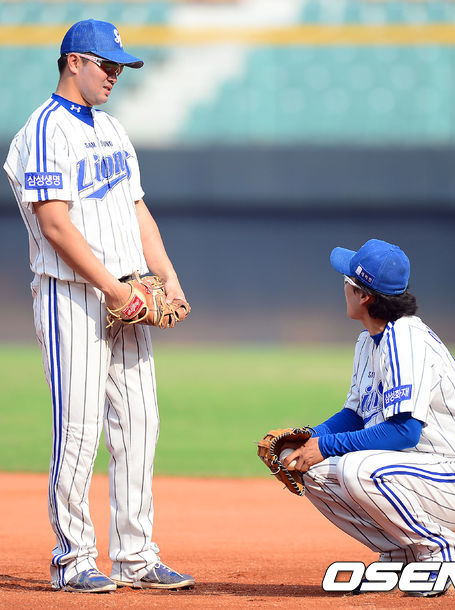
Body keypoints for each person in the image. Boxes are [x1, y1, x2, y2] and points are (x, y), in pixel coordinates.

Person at [3, 19, 194, 593]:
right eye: (106, 64)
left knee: (140, 424)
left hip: (129, 293)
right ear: (73, 62)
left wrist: (168, 277)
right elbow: (55, 226)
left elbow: (137, 210)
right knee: (79, 428)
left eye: (120, 67)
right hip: (71, 296)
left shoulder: (113, 129)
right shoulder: (43, 130)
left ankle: (135, 557)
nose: (115, 75)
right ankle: (73, 560)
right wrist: (113, 289)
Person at [282, 238, 455, 597]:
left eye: (348, 281)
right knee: (311, 468)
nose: (343, 287)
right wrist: (308, 438)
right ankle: (400, 554)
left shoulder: (405, 340)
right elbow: (354, 414)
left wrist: (327, 446)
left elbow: (404, 432)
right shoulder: (369, 340)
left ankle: (445, 556)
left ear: (364, 295)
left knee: (356, 468)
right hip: (418, 471)